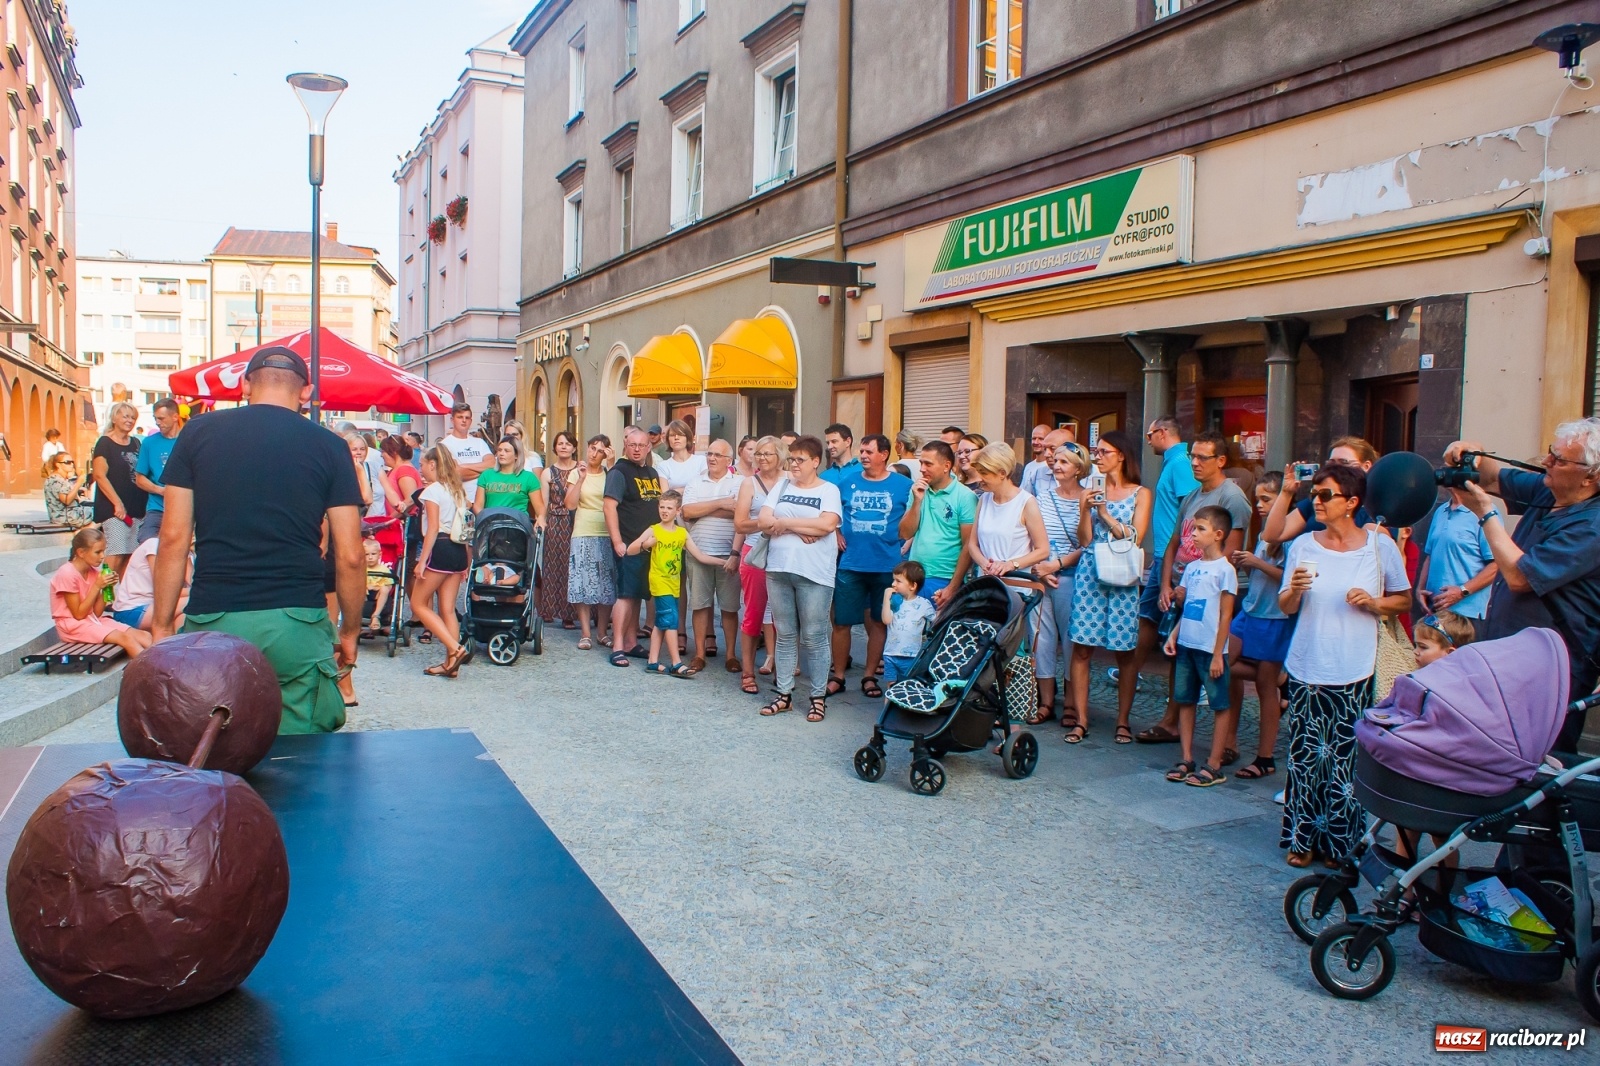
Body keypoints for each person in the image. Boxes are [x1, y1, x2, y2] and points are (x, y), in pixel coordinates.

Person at [152, 346, 364, 734]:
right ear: (307, 392)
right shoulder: (330, 446)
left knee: (215, 743)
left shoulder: (197, 433)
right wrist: (349, 631)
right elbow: (350, 555)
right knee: (301, 759)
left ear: (245, 384)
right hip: (296, 619)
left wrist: (163, 625)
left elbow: (173, 538)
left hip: (216, 616)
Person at [1276, 463, 1411, 868]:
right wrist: (1294, 592)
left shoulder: (1378, 546)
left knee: (1344, 760)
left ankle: (1340, 844)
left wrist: (1373, 603)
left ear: (1351, 503)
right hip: (1307, 663)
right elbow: (1286, 606)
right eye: (1314, 493)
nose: (1316, 501)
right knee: (1304, 756)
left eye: (1325, 495)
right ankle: (1302, 839)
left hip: (1355, 667)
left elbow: (1403, 600)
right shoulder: (1303, 545)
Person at [1446, 420, 1600, 751]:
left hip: (1553, 674)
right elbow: (1489, 477)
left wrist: (1486, 514)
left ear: (1592, 477)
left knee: (1539, 762)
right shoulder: (1550, 490)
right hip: (1509, 659)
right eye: (1550, 453)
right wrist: (1469, 452)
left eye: (1559, 460)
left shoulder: (1592, 527)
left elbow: (1519, 577)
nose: (1547, 462)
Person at [1138, 431, 1254, 749]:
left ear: (1221, 460)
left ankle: (1228, 741)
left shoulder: (1232, 498)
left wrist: (1199, 587)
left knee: (1222, 662)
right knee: (1181, 656)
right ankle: (1171, 721)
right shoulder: (1192, 495)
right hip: (1183, 584)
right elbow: (1175, 541)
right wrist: (1166, 584)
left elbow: (1229, 556)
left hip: (1216, 592)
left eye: (1203, 457)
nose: (1195, 463)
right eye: (1193, 456)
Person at [1067, 431, 1153, 745]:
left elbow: (1136, 537)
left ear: (1122, 455)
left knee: (1125, 650)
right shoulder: (1090, 488)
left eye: (1103, 451)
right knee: (1082, 647)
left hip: (1123, 573)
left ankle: (1123, 721)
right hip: (1091, 570)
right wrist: (1084, 510)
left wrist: (1103, 513)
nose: (1097, 457)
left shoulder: (1140, 493)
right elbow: (1085, 540)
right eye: (1097, 451)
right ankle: (1081, 720)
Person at [757, 435, 843, 723]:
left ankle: (817, 698)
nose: (793, 464)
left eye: (800, 460)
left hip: (814, 572)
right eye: (791, 459)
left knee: (815, 636)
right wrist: (798, 528)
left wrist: (786, 523)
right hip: (779, 568)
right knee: (785, 633)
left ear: (815, 462)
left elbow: (827, 525)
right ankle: (784, 695)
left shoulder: (828, 489)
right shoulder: (781, 485)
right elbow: (763, 522)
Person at [1127, 418, 1198, 742]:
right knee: (1148, 620)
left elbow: (1191, 510)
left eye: (1150, 433)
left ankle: (1132, 676)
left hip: (1173, 560)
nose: (1148, 439)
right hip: (1164, 558)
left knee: (1152, 623)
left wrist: (1174, 564)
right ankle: (1129, 675)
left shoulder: (1181, 463)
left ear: (1163, 433)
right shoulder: (1175, 461)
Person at [828, 434, 912, 699]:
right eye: (861, 451)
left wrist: (907, 544)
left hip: (887, 566)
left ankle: (868, 676)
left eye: (868, 451)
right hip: (851, 564)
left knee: (878, 622)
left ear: (884, 454)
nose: (863, 456)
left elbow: (915, 518)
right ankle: (838, 676)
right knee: (841, 622)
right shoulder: (846, 482)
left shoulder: (904, 485)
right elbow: (831, 513)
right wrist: (836, 533)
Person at [1221, 472, 1293, 782]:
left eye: (1266, 499)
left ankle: (1265, 757)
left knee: (1265, 689)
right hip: (1250, 611)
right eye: (1258, 499)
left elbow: (1291, 579)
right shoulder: (1266, 530)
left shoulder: (1292, 534)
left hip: (1275, 618)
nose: (1260, 505)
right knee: (1220, 664)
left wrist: (1256, 563)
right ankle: (1282, 679)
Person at [1160, 506, 1239, 788]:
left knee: (1219, 703)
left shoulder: (1225, 570)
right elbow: (1190, 606)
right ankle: (1186, 756)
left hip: (1210, 648)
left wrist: (1219, 653)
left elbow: (1225, 614)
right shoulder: (1192, 568)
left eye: (1200, 529)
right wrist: (1174, 635)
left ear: (1218, 535)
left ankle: (1215, 762)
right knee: (1185, 699)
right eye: (1193, 528)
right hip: (1187, 643)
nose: (1193, 534)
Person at [626, 489, 726, 677]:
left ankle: (653, 661)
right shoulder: (654, 530)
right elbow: (630, 550)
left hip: (673, 583)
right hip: (659, 581)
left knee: (661, 622)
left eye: (669, 508)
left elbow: (699, 555)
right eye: (662, 507)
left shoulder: (681, 533)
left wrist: (723, 562)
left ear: (677, 511)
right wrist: (646, 545)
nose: (664, 511)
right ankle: (676, 663)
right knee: (671, 621)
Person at [1027, 442, 1089, 727]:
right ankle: (1046, 701)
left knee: (1071, 642)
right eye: (1055, 461)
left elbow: (1087, 544)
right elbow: (1033, 536)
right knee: (1042, 639)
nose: (1057, 465)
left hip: (1073, 577)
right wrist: (1040, 568)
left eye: (1064, 462)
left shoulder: (1088, 498)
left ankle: (1073, 705)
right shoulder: (1042, 498)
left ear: (1079, 468)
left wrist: (1058, 564)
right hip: (1042, 575)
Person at [410, 445, 473, 678]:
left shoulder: (432, 491)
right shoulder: (457, 490)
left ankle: (455, 650)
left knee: (418, 604)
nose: (421, 469)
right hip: (457, 549)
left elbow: (433, 529)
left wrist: (421, 561)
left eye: (423, 464)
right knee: (447, 609)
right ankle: (450, 665)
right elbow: (466, 526)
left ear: (433, 465)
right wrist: (466, 560)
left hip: (440, 548)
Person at [681, 439, 743, 674]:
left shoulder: (740, 482)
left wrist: (703, 510)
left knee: (729, 607)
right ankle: (698, 654)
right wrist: (722, 504)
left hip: (728, 554)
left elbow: (740, 514)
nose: (712, 458)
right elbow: (687, 512)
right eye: (709, 453)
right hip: (699, 552)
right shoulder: (695, 481)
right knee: (700, 605)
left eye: (718, 455)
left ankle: (730, 655)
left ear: (729, 461)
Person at [604, 427, 663, 667]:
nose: (637, 449)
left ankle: (630, 641)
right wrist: (618, 541)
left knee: (637, 594)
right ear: (625, 447)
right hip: (628, 543)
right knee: (625, 595)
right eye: (632, 445)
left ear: (649, 447)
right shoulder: (619, 472)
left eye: (642, 445)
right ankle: (617, 646)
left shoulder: (652, 472)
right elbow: (609, 507)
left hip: (649, 545)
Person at [50, 527, 153, 659]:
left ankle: (161, 666)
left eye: (103, 551)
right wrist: (97, 586)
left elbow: (97, 612)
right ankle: (149, 673)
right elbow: (79, 614)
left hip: (92, 620)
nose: (102, 556)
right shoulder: (67, 574)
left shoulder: (94, 572)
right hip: (72, 626)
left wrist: (106, 588)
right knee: (126, 639)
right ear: (81, 552)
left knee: (145, 635)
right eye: (98, 552)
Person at [734, 436, 784, 694]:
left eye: (769, 454)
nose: (762, 458)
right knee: (754, 614)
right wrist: (765, 522)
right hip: (755, 552)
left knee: (783, 616)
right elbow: (740, 523)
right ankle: (748, 672)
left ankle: (782, 671)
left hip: (785, 552)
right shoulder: (748, 483)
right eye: (760, 454)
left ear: (780, 457)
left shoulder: (790, 480)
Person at [1262, 436, 1378, 545]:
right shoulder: (1316, 500)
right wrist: (1286, 492)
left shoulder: (1375, 506)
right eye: (1331, 463)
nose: (1335, 469)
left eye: (1344, 463)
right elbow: (1272, 536)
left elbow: (1369, 546)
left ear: (1366, 466)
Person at [901, 441, 977, 607]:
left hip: (944, 577)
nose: (922, 469)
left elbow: (968, 546)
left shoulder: (965, 497)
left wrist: (953, 587)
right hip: (914, 575)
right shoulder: (917, 490)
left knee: (936, 632)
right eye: (921, 463)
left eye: (928, 464)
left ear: (946, 466)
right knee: (907, 631)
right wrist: (917, 502)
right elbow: (905, 533)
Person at [1417, 484, 1499, 637]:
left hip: (1466, 617)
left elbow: (1496, 565)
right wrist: (1420, 589)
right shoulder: (1440, 511)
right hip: (1435, 612)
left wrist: (1462, 591)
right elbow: (1430, 554)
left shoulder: (1485, 511)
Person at [565, 433, 615, 651]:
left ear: (606, 453)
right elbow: (569, 504)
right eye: (592, 448)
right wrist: (582, 478)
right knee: (582, 581)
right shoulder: (576, 473)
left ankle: (602, 632)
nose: (594, 453)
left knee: (606, 582)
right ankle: (585, 632)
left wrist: (612, 465)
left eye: (600, 450)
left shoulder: (609, 473)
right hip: (583, 530)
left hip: (606, 531)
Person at [91, 402, 146, 578]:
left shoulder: (136, 442)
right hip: (114, 508)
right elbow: (99, 475)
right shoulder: (105, 443)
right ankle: (104, 596)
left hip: (137, 508)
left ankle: (123, 598)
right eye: (125, 416)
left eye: (132, 417)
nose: (129, 420)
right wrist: (117, 503)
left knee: (131, 554)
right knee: (116, 551)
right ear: (114, 418)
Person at [538, 430, 580, 629]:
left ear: (574, 447)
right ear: (554, 447)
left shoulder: (580, 470)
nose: (563, 446)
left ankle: (569, 613)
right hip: (555, 521)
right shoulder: (548, 472)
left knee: (573, 566)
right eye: (560, 443)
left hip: (576, 520)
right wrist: (541, 521)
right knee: (553, 565)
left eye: (567, 443)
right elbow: (544, 502)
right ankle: (549, 609)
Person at [132, 399, 181, 542]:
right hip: (157, 508)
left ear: (175, 417)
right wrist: (161, 491)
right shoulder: (149, 442)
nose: (158, 423)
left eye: (161, 418)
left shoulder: (188, 440)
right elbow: (139, 478)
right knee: (146, 540)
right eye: (155, 419)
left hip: (185, 508)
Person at [880, 560, 935, 682]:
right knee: (891, 685)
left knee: (908, 684)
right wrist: (886, 598)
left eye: (898, 581)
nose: (893, 584)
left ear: (913, 586)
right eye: (894, 580)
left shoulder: (923, 604)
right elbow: (886, 620)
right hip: (891, 653)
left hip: (912, 655)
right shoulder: (893, 601)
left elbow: (936, 620)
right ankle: (888, 702)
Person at [474, 436, 546, 525]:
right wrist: (486, 519)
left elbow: (539, 507)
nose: (501, 453)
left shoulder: (529, 478)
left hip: (518, 528)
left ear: (516, 455)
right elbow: (478, 505)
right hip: (491, 526)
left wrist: (541, 518)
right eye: (499, 450)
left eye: (506, 451)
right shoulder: (486, 475)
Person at [375, 436, 420, 569]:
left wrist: (389, 519)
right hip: (398, 525)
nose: (381, 454)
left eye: (383, 451)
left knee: (408, 569)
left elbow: (410, 499)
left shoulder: (404, 470)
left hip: (405, 526)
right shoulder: (399, 469)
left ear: (393, 452)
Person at [439, 401, 494, 502]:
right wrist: (484, 471)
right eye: (460, 417)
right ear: (452, 420)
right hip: (459, 500)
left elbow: (492, 464)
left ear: (471, 420)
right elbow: (456, 473)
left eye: (467, 418)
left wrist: (465, 466)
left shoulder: (479, 442)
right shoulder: (445, 444)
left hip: (482, 501)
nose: (464, 420)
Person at [42, 453, 93, 528]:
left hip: (62, 516)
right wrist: (78, 483)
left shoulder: (53, 479)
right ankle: (83, 532)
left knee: (99, 509)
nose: (71, 464)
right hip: (68, 517)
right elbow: (66, 501)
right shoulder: (57, 480)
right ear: (58, 465)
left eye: (72, 462)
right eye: (67, 462)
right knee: (103, 512)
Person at [654, 419, 706, 492]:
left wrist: (675, 491)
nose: (676, 438)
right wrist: (693, 489)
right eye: (672, 435)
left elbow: (705, 488)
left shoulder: (701, 461)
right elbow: (665, 495)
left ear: (687, 438)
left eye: (680, 434)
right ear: (668, 439)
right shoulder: (663, 466)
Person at [362, 537, 395, 637]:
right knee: (357, 586)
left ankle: (375, 615)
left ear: (379, 554)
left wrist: (378, 588)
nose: (370, 557)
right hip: (364, 598)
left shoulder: (384, 570)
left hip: (380, 597)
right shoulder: (361, 570)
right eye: (367, 554)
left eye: (373, 554)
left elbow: (389, 586)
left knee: (384, 588)